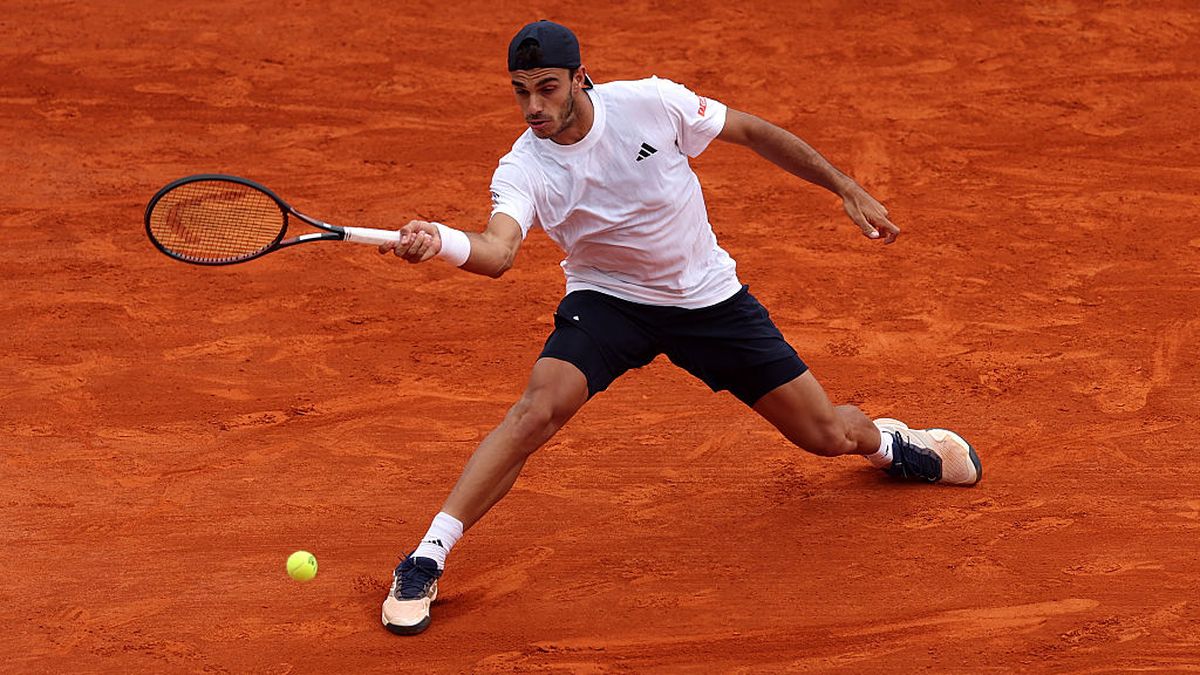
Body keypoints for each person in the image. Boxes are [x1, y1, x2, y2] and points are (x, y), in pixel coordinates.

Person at [377, 20, 981, 636]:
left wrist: (842, 186)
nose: (534, 107)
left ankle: (886, 445)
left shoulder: (652, 103)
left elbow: (750, 131)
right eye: (520, 91)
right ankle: (427, 556)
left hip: (707, 300)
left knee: (825, 436)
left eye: (548, 89)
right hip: (609, 301)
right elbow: (498, 251)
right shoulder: (525, 167)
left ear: (580, 78)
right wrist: (443, 242)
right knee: (535, 410)